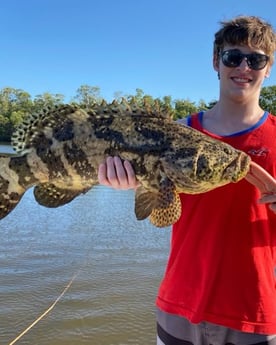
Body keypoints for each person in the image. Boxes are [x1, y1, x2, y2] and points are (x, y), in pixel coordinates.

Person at [98, 15, 276, 345]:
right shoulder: (177, 131)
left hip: (253, 313)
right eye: (233, 57)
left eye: (257, 59)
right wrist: (120, 181)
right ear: (215, 62)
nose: (244, 67)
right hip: (178, 305)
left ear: (268, 68)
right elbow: (155, 211)